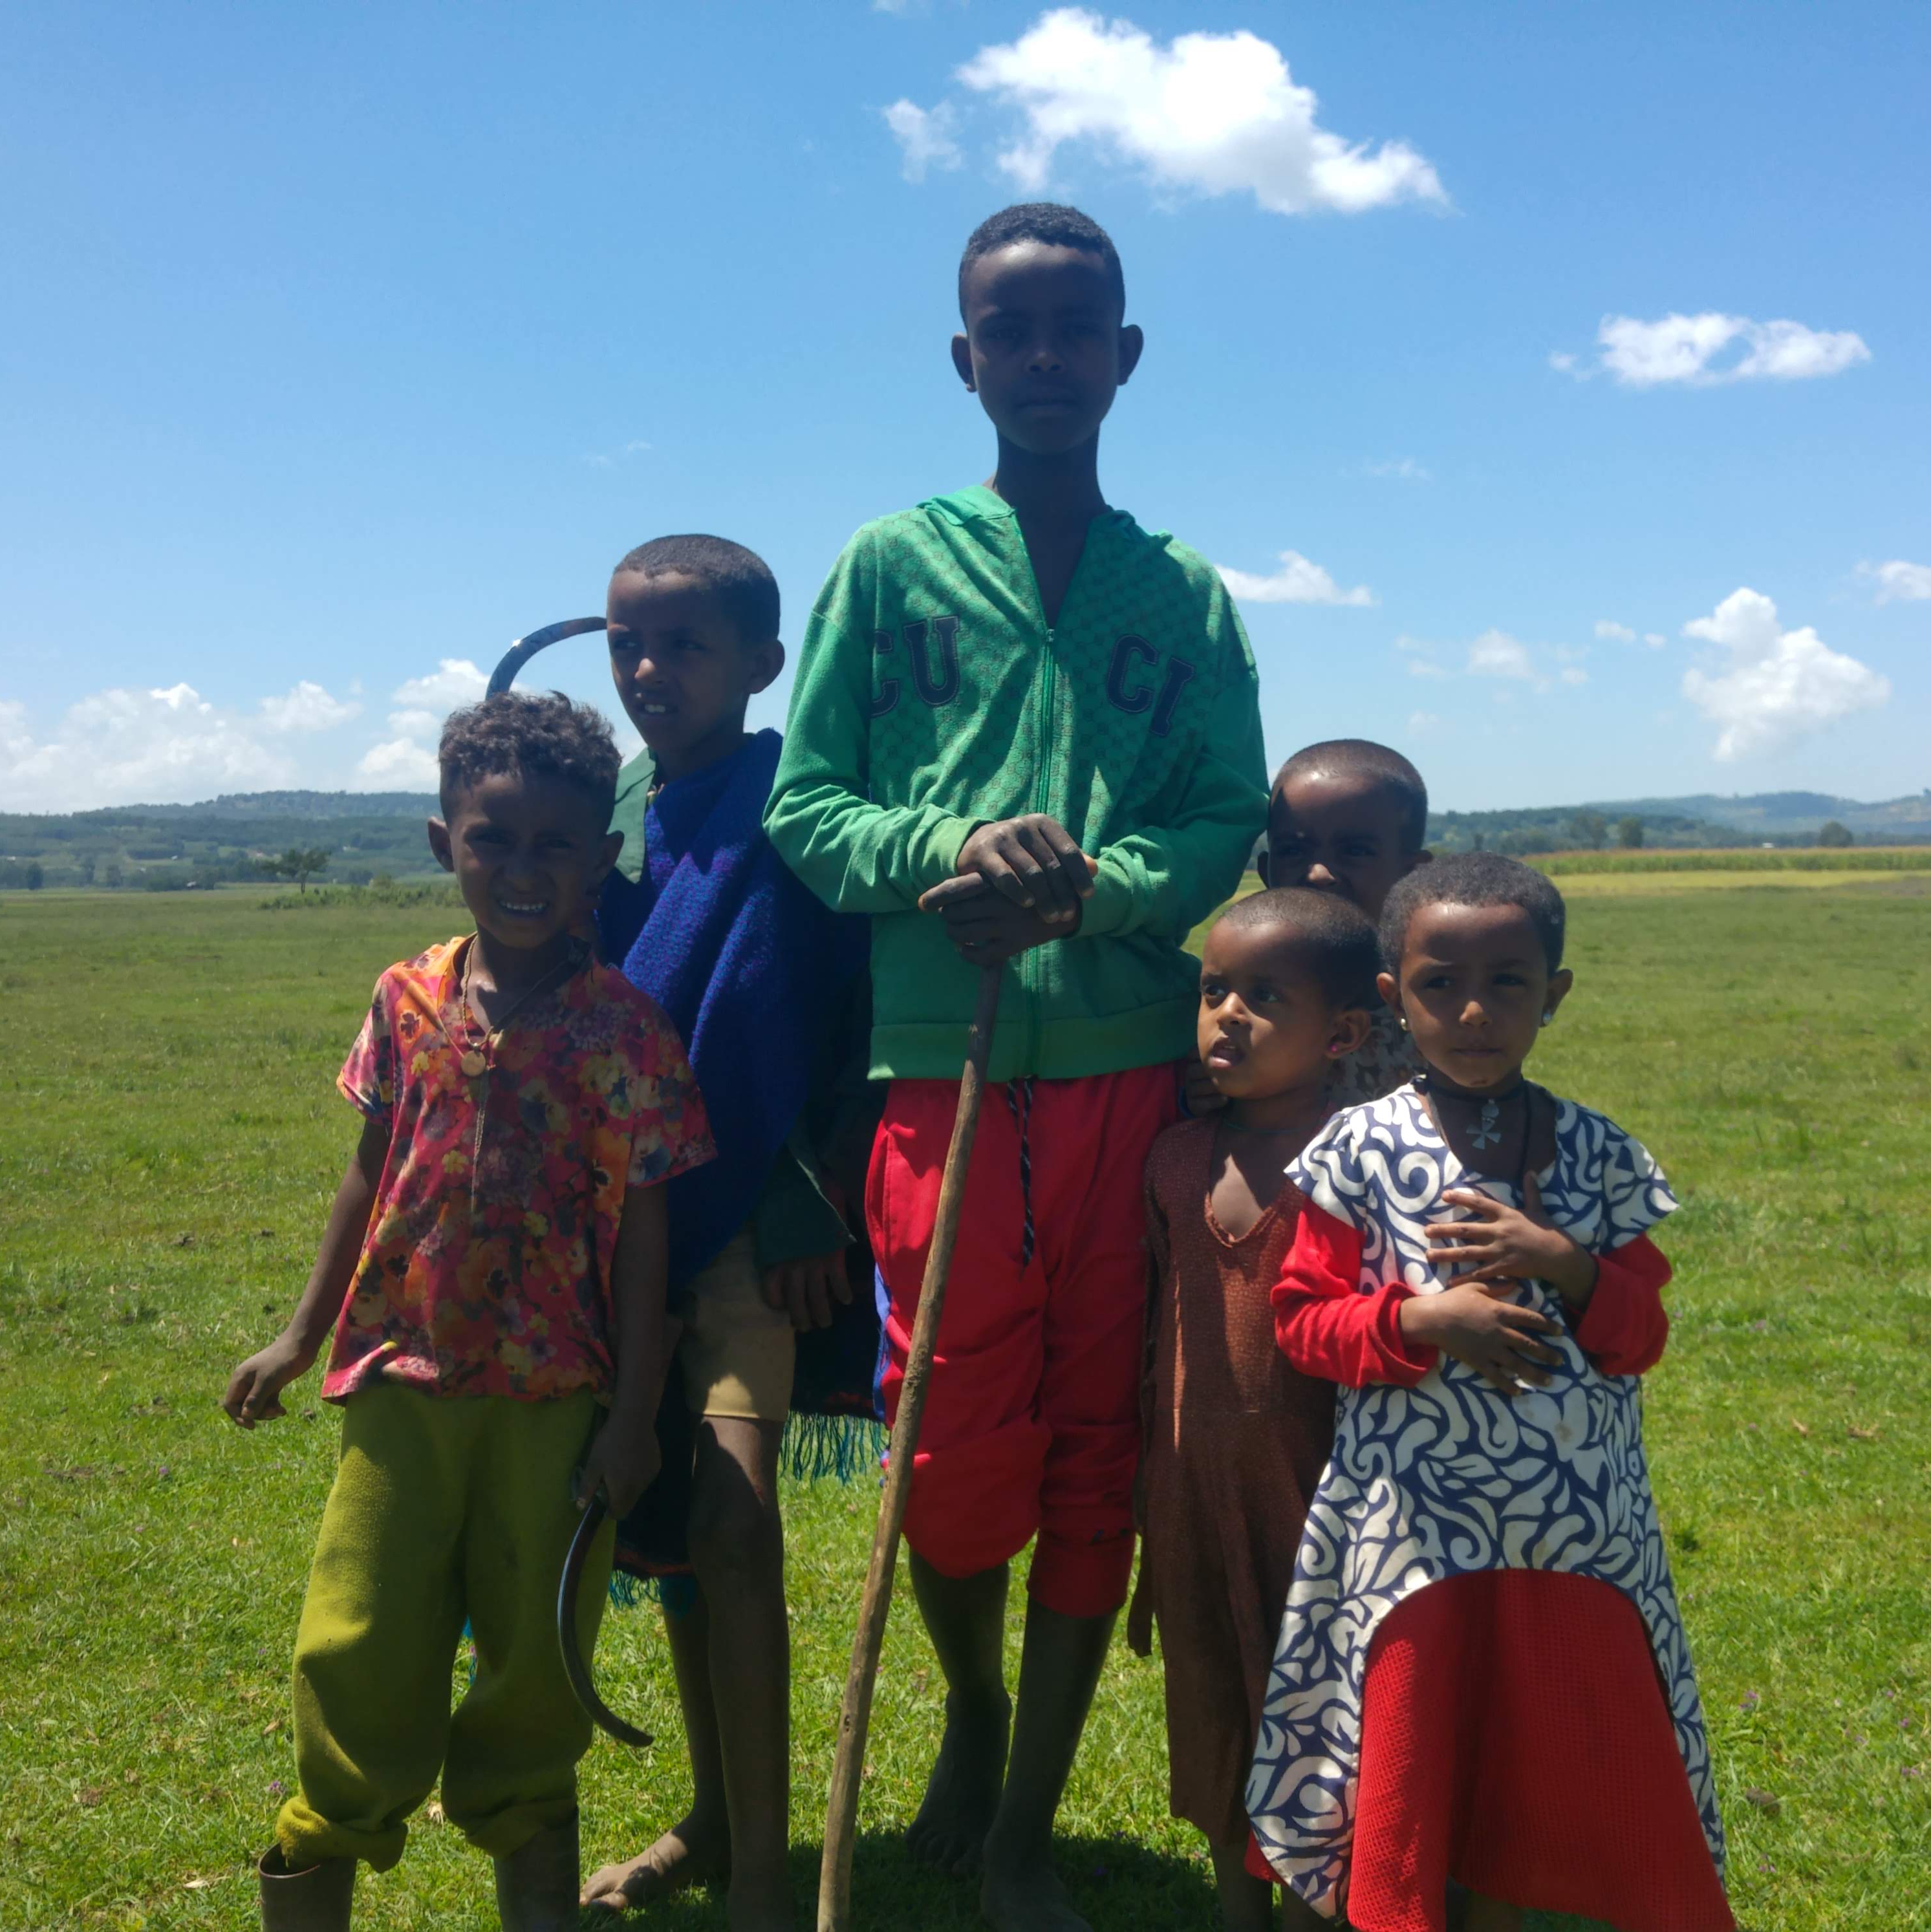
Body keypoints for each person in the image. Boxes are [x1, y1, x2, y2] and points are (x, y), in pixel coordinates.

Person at [764, 200, 1267, 1932]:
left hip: (1131, 1069)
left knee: (1092, 1444)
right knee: (949, 1440)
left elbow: (1224, 814)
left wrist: (1104, 888)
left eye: (1079, 330)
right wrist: (952, 853)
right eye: (1012, 329)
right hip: (946, 1078)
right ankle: (974, 1704)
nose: (1046, 360)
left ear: (1124, 357)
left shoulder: (1184, 592)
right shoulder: (890, 566)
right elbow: (807, 805)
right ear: (966, 359)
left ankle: (1024, 1827)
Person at [224, 692, 714, 1932]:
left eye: (558, 844)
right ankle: (317, 1863)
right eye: (494, 839)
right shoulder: (404, 999)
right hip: (402, 1382)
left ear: (603, 858)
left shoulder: (627, 1032)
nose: (524, 870)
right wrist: (297, 1333)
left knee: (535, 1673)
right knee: (356, 1648)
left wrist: (635, 1419)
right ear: (445, 842)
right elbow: (367, 1166)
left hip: (559, 1403)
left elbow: (649, 1238)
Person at [1249, 853, 1732, 1932]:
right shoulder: (1358, 1149)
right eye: (1438, 983)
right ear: (1392, 997)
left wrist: (1562, 1259)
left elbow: (1641, 1330)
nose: (1473, 1009)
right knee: (1421, 1746)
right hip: (1414, 1535)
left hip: (1578, 1536)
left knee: (1551, 1754)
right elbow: (1300, 1321)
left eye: (1508, 981)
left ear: (1553, 993)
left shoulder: (1599, 1154)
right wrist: (1426, 1319)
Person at [577, 533, 876, 1932]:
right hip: (614, 1222)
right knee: (668, 1525)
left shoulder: (795, 804)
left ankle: (766, 1873)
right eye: (629, 644)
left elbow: (836, 1017)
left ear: (763, 665)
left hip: (757, 1221)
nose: (649, 671)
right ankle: (707, 1811)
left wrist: (813, 1188)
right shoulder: (619, 807)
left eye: (684, 645)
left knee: (734, 1517)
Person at [1126, 889, 1375, 1932]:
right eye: (1213, 989)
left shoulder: (1360, 1160)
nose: (1227, 1013)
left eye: (1263, 996)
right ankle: (1237, 1902)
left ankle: (1321, 1903)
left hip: (1322, 1506)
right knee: (1214, 1694)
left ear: (1344, 1033)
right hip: (1193, 1495)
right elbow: (1154, 1336)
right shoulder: (1175, 1158)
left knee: (1322, 1707)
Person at [1255, 738, 1434, 1105]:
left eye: (1354, 851)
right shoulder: (1234, 994)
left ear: (1413, 874)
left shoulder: (1439, 1004)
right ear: (1266, 871)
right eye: (1293, 851)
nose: (1319, 874)